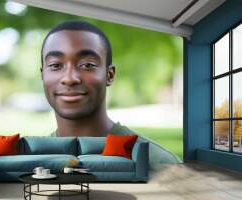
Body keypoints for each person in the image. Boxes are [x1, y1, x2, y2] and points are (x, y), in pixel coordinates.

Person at [40, 20, 180, 169]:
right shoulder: (34, 159)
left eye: (87, 65)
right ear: (42, 75)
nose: (69, 78)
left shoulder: (160, 163)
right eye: (55, 65)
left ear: (109, 75)